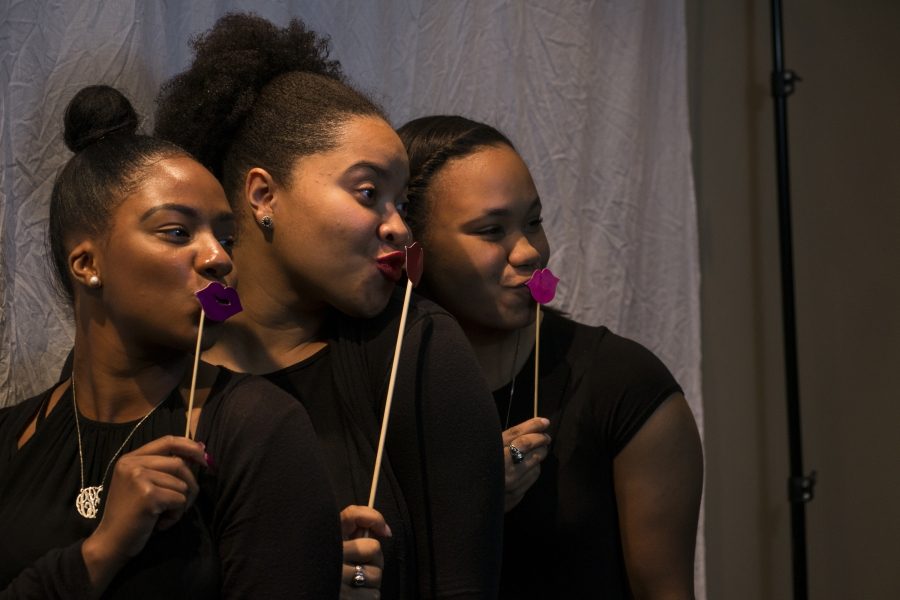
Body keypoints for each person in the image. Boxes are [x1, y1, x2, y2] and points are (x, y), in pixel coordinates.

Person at [155, 14, 504, 599]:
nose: (397, 228)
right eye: (369, 194)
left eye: (401, 203)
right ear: (264, 195)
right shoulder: (163, 354)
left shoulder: (417, 349)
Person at [0, 85, 341, 598]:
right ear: (87, 264)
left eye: (225, 238)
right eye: (178, 232)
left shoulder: (260, 428)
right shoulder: (10, 437)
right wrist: (103, 549)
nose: (220, 260)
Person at [398, 115, 704, 599]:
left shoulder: (627, 388)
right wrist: (467, 507)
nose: (529, 252)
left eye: (534, 221)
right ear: (414, 250)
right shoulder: (382, 383)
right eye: (492, 230)